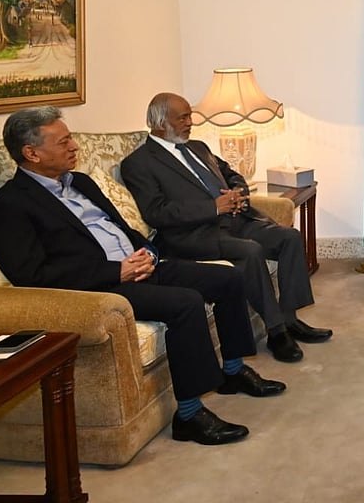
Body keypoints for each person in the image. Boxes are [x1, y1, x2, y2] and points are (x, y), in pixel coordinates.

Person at [0, 106, 286, 446]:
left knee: (229, 279)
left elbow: (121, 229)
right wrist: (117, 270)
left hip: (140, 265)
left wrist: (150, 253)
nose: (74, 146)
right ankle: (188, 414)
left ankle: (232, 371)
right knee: (186, 303)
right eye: (64, 141)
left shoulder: (80, 182)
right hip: (101, 287)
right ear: (32, 153)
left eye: (71, 138)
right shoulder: (8, 206)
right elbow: (33, 275)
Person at [121, 92, 332, 364]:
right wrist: (213, 207)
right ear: (160, 123)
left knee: (289, 237)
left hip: (237, 220)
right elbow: (156, 212)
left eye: (190, 115)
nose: (191, 122)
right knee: (251, 251)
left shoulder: (197, 147)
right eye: (183, 117)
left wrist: (237, 192)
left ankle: (290, 319)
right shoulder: (139, 163)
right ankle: (276, 331)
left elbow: (231, 173)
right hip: (194, 234)